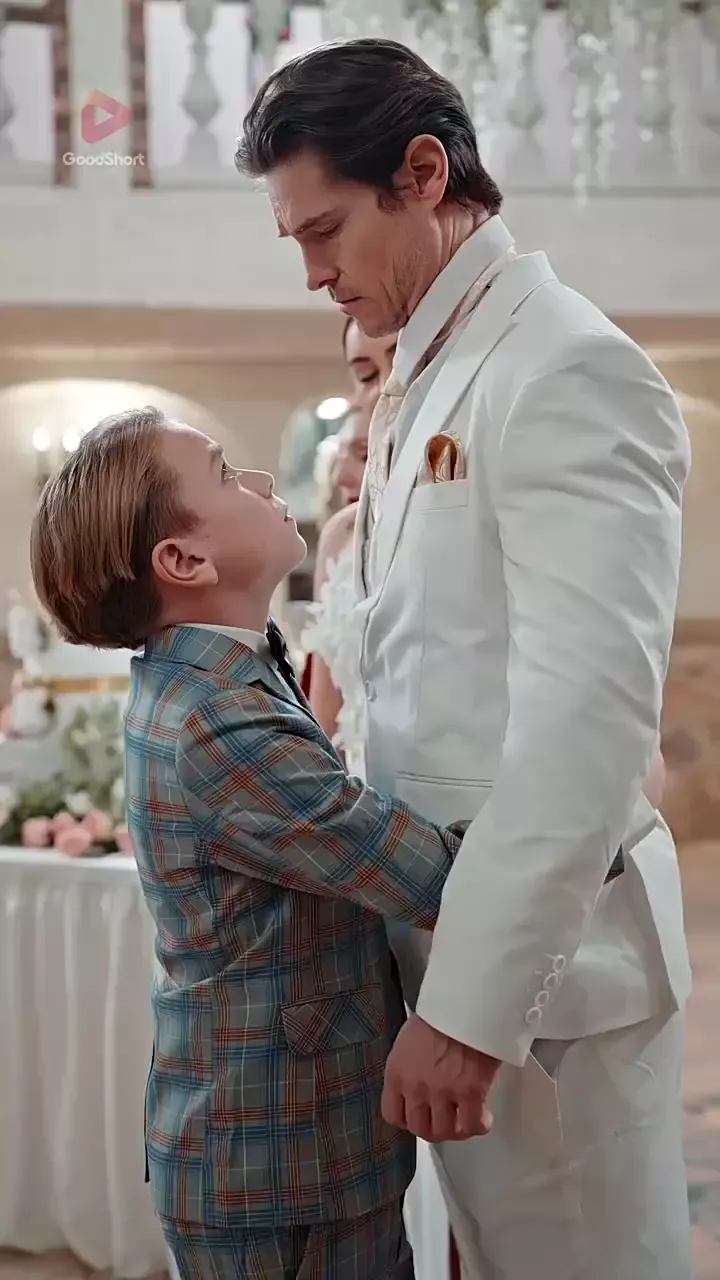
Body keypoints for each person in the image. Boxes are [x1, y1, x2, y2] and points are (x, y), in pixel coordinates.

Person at [236, 37, 693, 1280]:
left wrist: (470, 1009)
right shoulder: (430, 367)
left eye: (325, 230)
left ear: (425, 173)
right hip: (437, 940)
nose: (313, 274)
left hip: (550, 986)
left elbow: (583, 726)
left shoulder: (564, 365)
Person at [29, 405, 475, 1280]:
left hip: (281, 1146)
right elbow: (434, 876)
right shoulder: (220, 724)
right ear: (183, 561)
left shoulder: (220, 671)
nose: (268, 481)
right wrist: (591, 822)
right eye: (228, 473)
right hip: (283, 1165)